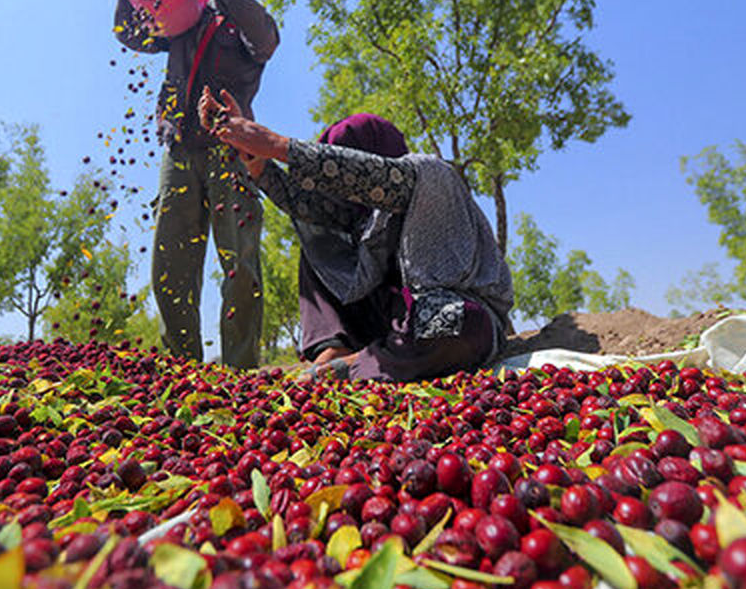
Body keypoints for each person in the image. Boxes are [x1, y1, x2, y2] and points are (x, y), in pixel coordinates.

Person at [198, 90, 514, 382]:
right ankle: (335, 349)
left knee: (459, 323)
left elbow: (369, 177)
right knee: (319, 240)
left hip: (448, 313)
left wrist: (277, 145)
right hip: (387, 323)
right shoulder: (360, 216)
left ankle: (355, 365)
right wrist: (254, 157)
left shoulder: (427, 174)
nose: (342, 197)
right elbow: (306, 205)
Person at [113, 0, 278, 369]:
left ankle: (241, 373)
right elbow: (136, 33)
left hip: (232, 152)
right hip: (181, 150)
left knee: (239, 264)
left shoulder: (253, 27)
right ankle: (183, 372)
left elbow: (263, 40)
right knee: (171, 265)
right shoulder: (189, 19)